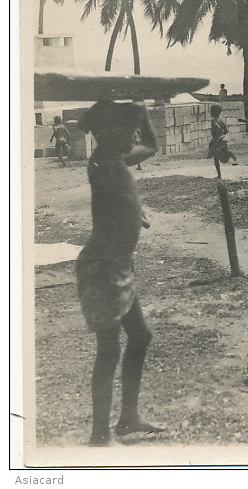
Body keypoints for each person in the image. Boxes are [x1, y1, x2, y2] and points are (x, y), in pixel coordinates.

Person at [75, 101, 165, 447]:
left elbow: (153, 146)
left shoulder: (114, 159)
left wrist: (141, 115)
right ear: (105, 132)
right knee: (109, 350)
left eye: (132, 128)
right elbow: (114, 192)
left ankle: (128, 418)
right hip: (102, 267)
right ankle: (100, 435)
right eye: (125, 128)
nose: (133, 135)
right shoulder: (102, 164)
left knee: (140, 337)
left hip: (118, 265)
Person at [208, 104, 238, 178]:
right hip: (223, 138)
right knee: (223, 152)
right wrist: (222, 135)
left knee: (215, 157)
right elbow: (226, 130)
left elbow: (215, 129)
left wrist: (217, 135)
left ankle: (219, 175)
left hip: (217, 139)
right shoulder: (221, 121)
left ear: (213, 113)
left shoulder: (213, 121)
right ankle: (230, 154)